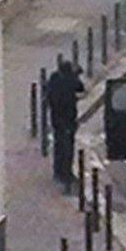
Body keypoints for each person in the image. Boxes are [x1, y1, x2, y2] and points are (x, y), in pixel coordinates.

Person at [46, 60, 85, 191]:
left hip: (56, 118)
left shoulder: (54, 78)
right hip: (68, 119)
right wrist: (76, 75)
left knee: (59, 145)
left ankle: (58, 171)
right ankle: (66, 174)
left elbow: (49, 95)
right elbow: (81, 87)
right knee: (68, 147)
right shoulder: (69, 81)